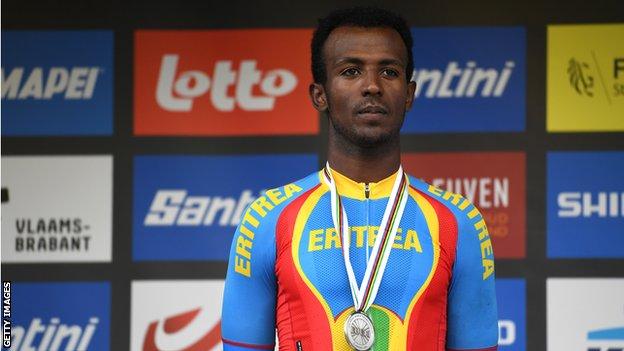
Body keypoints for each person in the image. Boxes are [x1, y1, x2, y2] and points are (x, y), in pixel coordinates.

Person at [221, 6, 498, 351]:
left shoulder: (458, 222)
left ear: (409, 94)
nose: (371, 86)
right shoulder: (267, 219)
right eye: (351, 71)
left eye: (389, 72)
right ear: (319, 95)